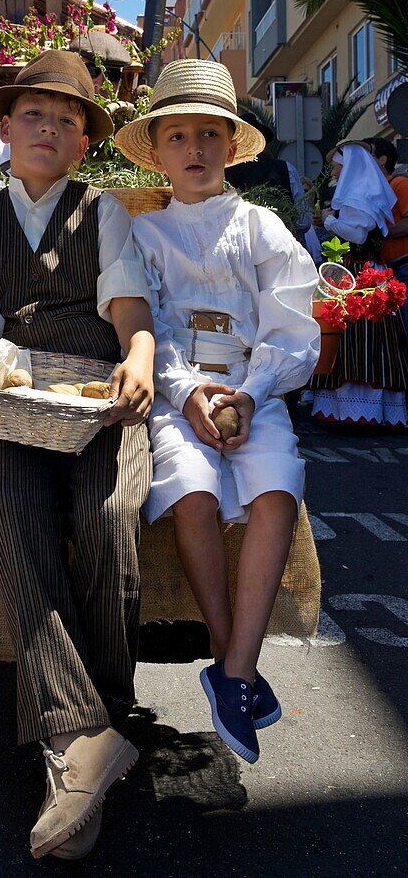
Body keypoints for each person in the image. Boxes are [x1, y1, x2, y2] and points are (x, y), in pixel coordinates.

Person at [0, 50, 154, 861]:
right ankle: (79, 741)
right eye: (35, 114)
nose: (50, 128)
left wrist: (139, 354)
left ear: (83, 143)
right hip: (15, 394)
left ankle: (104, 714)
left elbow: (127, 303)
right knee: (17, 517)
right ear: (5, 126)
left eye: (68, 120)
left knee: (113, 516)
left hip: (99, 398)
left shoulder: (103, 211)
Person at [116, 60, 319, 766]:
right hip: (178, 399)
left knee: (275, 491)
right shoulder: (142, 235)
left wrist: (252, 393)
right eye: (177, 136)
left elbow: (290, 322)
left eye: (209, 133)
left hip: (250, 390)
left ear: (231, 146)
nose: (194, 148)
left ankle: (233, 669)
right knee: (191, 492)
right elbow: (146, 327)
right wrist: (184, 391)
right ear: (158, 151)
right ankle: (225, 655)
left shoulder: (260, 225)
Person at [312, 141, 408, 427]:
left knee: (358, 337)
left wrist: (329, 221)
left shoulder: (356, 195)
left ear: (349, 165)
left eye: (338, 165)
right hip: (363, 271)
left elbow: (357, 235)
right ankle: (361, 409)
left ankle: (355, 411)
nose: (334, 170)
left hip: (359, 274)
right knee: (367, 339)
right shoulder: (361, 193)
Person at [372, 138, 408, 337]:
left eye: (370, 157)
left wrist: (378, 231)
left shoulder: (400, 184)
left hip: (404, 265)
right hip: (391, 269)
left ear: (382, 160)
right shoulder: (380, 190)